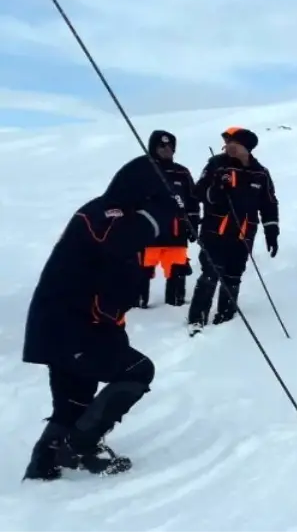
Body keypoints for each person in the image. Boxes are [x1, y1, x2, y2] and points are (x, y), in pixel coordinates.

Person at [21, 155, 182, 480]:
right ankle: (79, 445)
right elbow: (120, 241)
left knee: (75, 398)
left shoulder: (118, 213)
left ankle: (44, 466)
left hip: (78, 325)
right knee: (138, 370)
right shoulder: (105, 213)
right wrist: (162, 211)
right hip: (71, 327)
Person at [187, 127, 280, 333]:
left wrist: (271, 230)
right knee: (211, 272)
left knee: (234, 274)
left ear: (247, 148)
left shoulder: (261, 173)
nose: (229, 148)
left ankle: (226, 316)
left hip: (244, 234)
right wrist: (216, 190)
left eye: (235, 146)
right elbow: (198, 191)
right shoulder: (217, 165)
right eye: (228, 145)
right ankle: (197, 318)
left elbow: (269, 204)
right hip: (215, 231)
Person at [137, 130, 200, 307]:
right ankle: (138, 305)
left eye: (170, 146)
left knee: (178, 271)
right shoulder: (142, 171)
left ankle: (174, 305)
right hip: (147, 235)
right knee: (139, 272)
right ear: (153, 148)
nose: (166, 149)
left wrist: (193, 223)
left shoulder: (182, 173)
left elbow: (192, 201)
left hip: (176, 234)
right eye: (161, 146)